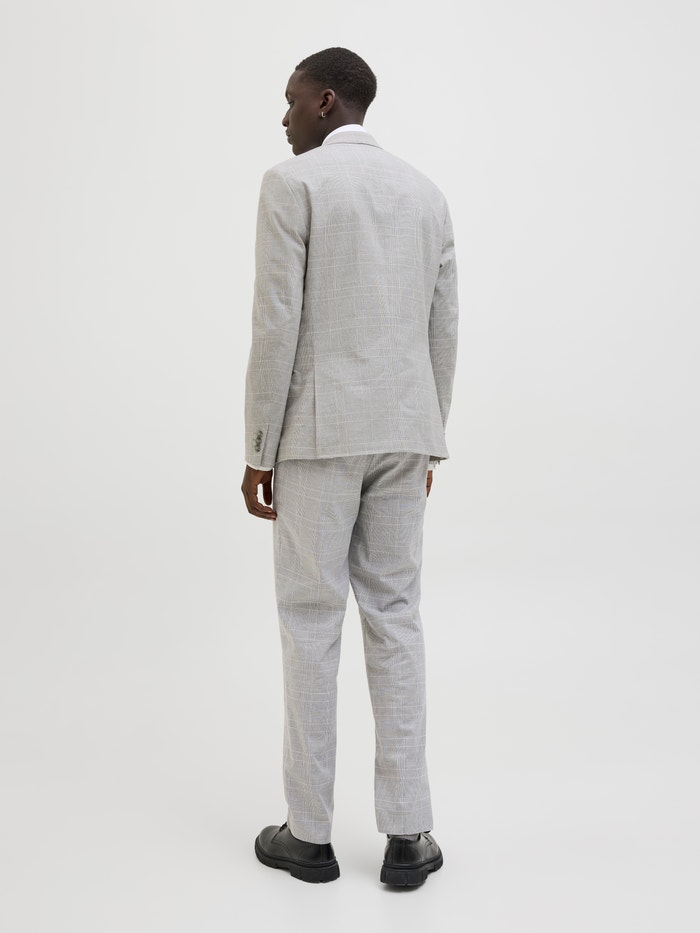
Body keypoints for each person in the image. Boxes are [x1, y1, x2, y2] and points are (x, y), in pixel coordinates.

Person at [241, 47, 458, 886]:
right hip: (404, 431)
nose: (285, 116)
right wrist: (428, 435)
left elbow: (277, 323)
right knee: (397, 617)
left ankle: (309, 834)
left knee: (310, 621)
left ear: (327, 101)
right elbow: (444, 323)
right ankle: (408, 835)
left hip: (318, 435)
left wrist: (259, 447)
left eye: (292, 100)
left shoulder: (292, 184)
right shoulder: (425, 192)